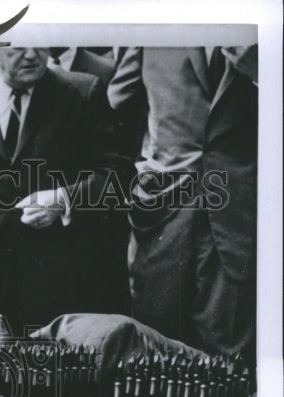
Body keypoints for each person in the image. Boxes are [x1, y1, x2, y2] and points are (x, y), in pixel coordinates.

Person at [0, 46, 132, 339]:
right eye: (19, 46)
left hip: (68, 300)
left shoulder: (82, 93)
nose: (33, 55)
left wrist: (63, 199)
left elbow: (119, 175)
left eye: (41, 43)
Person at [108, 46, 257, 360]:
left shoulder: (264, 29)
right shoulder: (154, 25)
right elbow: (115, 105)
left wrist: (263, 69)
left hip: (238, 212)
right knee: (157, 350)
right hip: (163, 209)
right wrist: (138, 169)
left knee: (227, 357)